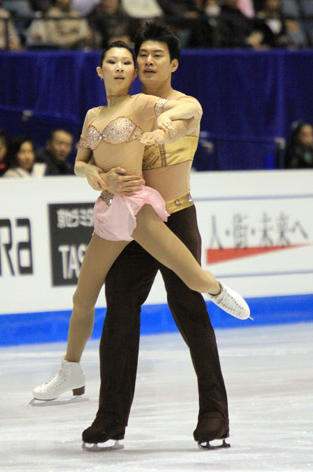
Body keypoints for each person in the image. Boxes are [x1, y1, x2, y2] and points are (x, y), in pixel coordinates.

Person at [33, 37, 250, 444]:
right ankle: (111, 418)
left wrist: (167, 127)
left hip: (175, 215)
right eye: (142, 55)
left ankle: (214, 415)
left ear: (174, 64)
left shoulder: (176, 104)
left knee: (188, 308)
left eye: (157, 55)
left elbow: (191, 111)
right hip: (128, 220)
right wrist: (101, 177)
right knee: (119, 311)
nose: (147, 61)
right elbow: (94, 154)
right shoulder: (123, 105)